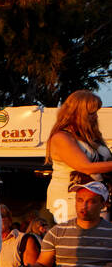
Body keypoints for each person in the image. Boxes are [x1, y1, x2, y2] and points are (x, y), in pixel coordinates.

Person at [45, 90, 110, 224]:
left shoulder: (92, 138)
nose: (95, 117)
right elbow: (84, 167)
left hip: (97, 197)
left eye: (96, 112)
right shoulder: (62, 137)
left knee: (99, 240)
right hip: (69, 199)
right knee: (73, 239)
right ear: (77, 112)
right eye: (91, 113)